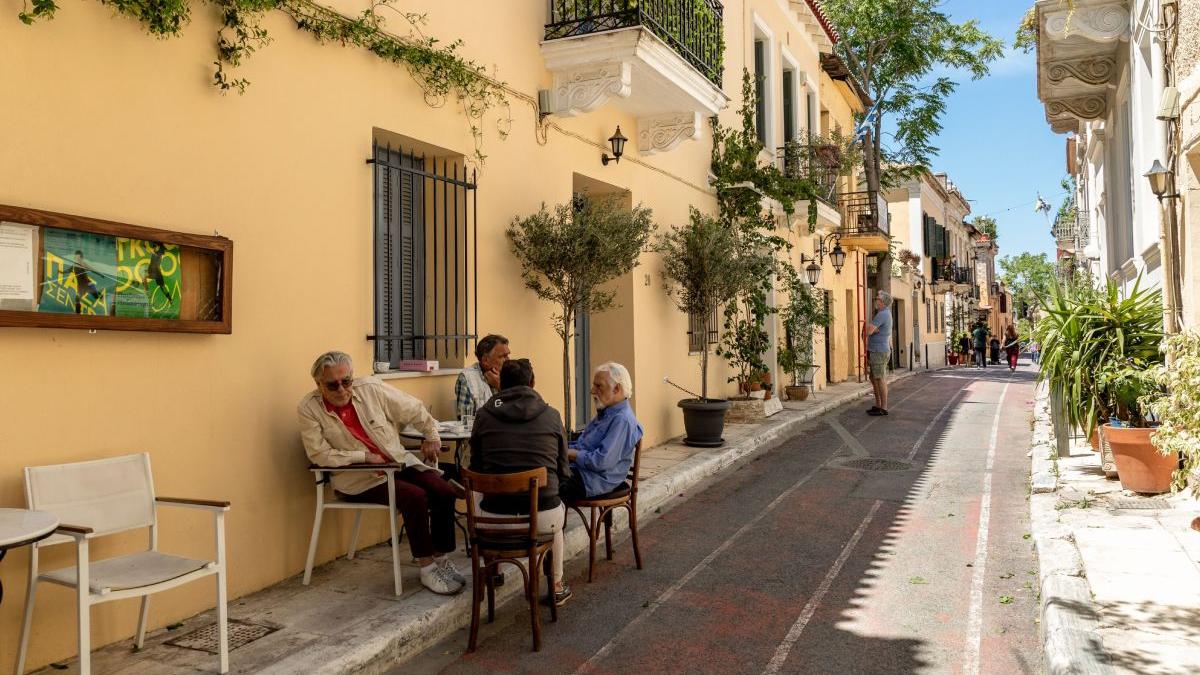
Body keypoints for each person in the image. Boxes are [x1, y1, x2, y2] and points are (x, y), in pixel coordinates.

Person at [298, 351, 465, 596]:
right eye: (332, 385)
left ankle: (440, 559)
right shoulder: (309, 408)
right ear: (318, 384)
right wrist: (363, 457)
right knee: (415, 497)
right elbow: (319, 454)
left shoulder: (370, 389)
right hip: (358, 479)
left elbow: (412, 409)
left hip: (396, 464)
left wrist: (431, 434)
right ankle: (426, 567)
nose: (342, 389)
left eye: (346, 381)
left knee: (442, 489)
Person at [468, 358, 573, 606]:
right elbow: (563, 469)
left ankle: (495, 573)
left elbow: (476, 466)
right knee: (555, 519)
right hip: (542, 517)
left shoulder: (483, 415)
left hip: (494, 520)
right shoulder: (552, 415)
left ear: (501, 385)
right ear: (532, 383)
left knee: (476, 489)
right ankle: (556, 584)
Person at [561, 362, 644, 500]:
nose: (592, 390)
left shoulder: (622, 420)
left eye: (598, 386)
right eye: (594, 385)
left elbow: (602, 462)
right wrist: (558, 447)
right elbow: (583, 445)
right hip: (584, 473)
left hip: (595, 480)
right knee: (542, 471)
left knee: (545, 485)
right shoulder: (606, 413)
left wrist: (571, 454)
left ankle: (547, 521)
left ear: (617, 388)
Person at [455, 334, 510, 421]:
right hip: (482, 432)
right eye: (502, 356)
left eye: (507, 355)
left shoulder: (511, 373)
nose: (508, 360)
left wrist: (500, 386)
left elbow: (519, 411)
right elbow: (464, 419)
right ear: (485, 360)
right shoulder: (467, 377)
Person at [863, 292, 892, 416]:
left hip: (879, 350)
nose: (876, 300)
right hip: (876, 350)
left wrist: (872, 329)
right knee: (874, 378)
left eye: (877, 299)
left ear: (883, 302)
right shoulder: (883, 314)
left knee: (880, 378)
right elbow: (871, 329)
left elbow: (868, 331)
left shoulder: (882, 314)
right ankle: (878, 405)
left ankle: (883, 407)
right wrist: (874, 329)